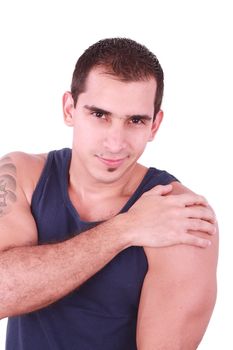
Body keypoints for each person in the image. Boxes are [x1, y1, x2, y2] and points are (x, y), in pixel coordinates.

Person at [0, 38, 218, 350]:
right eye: (100, 115)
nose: (115, 143)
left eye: (135, 120)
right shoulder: (20, 176)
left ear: (155, 125)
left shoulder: (181, 215)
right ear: (69, 109)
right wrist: (125, 229)